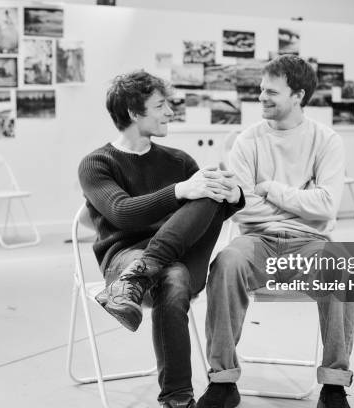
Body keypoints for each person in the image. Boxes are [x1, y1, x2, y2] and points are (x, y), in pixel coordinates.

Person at [197, 55, 354, 408]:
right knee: (225, 264)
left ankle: (334, 386)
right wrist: (299, 199)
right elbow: (241, 204)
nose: (262, 98)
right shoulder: (247, 141)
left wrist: (269, 188)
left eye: (271, 92)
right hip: (257, 240)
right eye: (260, 90)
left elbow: (327, 206)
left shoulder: (326, 141)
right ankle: (223, 382)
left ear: (298, 94)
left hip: (311, 242)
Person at [78, 70, 244, 408]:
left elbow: (210, 213)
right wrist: (181, 190)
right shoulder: (97, 163)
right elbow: (121, 213)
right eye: (160, 105)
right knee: (173, 277)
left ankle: (140, 275)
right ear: (132, 113)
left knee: (208, 193)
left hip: (156, 268)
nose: (170, 112)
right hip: (123, 256)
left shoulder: (179, 160)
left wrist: (234, 195)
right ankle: (178, 399)